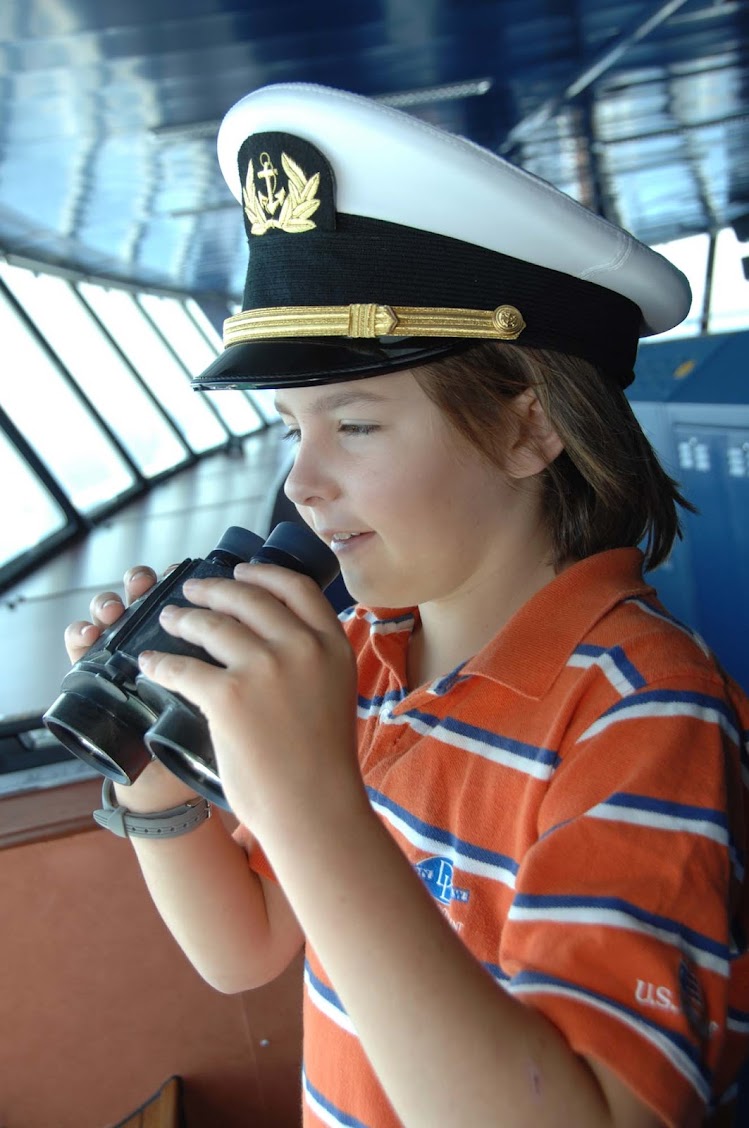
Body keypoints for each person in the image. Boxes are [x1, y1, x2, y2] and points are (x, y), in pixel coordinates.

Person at [65, 84, 749, 1127]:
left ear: (529, 430)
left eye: (355, 425)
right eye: (294, 430)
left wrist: (309, 802)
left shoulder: (644, 717)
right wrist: (159, 773)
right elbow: (244, 946)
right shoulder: (360, 655)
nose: (302, 483)